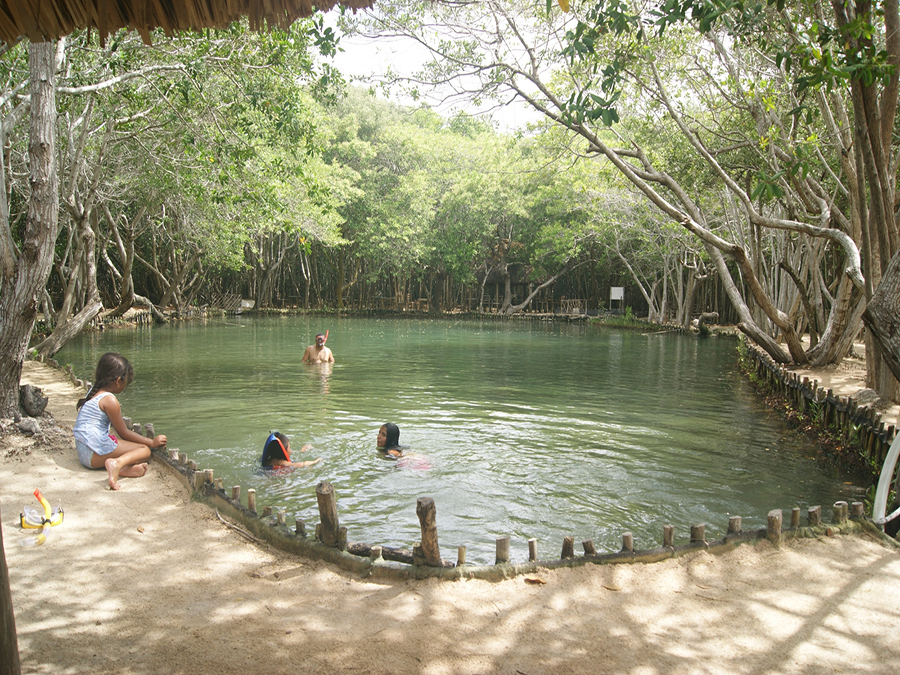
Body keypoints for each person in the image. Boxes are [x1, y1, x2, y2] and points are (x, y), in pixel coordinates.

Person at [73, 352, 167, 490]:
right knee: (144, 451)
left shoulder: (93, 393)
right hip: (92, 455)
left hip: (83, 453)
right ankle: (116, 464)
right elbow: (123, 432)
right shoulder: (109, 400)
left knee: (122, 446)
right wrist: (152, 442)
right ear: (118, 381)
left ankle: (124, 470)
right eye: (126, 381)